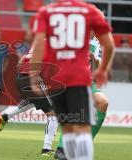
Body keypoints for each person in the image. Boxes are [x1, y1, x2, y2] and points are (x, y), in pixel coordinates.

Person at [29, 1, 115, 160]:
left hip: (75, 82)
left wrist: (97, 65)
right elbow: (110, 45)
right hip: (73, 81)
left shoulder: (48, 13)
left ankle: (64, 151)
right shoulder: (82, 19)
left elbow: (39, 43)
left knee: (99, 104)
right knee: (80, 125)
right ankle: (67, 151)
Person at [55, 36, 109, 160]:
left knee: (103, 102)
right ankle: (62, 148)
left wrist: (95, 60)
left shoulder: (96, 43)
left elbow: (98, 68)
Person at [0, 53, 59, 157]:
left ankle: (5, 117)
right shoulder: (50, 47)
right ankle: (46, 149)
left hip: (20, 79)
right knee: (53, 114)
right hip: (33, 79)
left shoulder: (33, 49)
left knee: (31, 101)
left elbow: (19, 64)